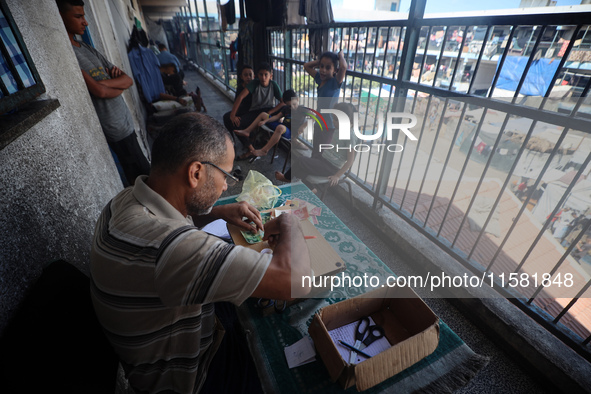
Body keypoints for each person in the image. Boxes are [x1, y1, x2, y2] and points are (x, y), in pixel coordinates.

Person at [90, 113, 311, 394]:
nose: (225, 186)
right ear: (195, 172)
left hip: (154, 345)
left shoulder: (125, 199)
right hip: (194, 377)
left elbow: (168, 229)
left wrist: (215, 212)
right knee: (282, 355)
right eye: (226, 175)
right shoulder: (174, 248)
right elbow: (294, 281)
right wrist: (290, 220)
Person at [57, 0, 150, 186]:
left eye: (84, 15)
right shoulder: (68, 54)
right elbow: (99, 91)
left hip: (125, 122)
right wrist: (115, 86)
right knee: (144, 179)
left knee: (141, 176)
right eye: (78, 16)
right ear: (60, 16)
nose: (85, 22)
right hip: (114, 128)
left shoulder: (87, 48)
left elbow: (128, 80)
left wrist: (109, 86)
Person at [275, 102, 357, 190]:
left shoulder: (350, 136)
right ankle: (311, 188)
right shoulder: (339, 129)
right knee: (302, 167)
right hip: (323, 160)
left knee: (300, 160)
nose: (333, 121)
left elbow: (350, 160)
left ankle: (286, 178)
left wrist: (337, 176)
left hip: (332, 167)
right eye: (333, 118)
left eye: (335, 119)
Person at [226, 62, 285, 158]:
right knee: (234, 123)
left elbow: (283, 102)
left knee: (283, 109)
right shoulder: (254, 83)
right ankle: (251, 148)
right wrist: (232, 115)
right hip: (255, 111)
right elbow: (240, 97)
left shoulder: (273, 85)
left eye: (266, 75)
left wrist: (271, 111)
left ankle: (253, 146)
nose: (263, 77)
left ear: (271, 75)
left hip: (268, 110)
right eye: (261, 74)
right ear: (257, 75)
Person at [234, 89, 307, 159]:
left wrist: (303, 127)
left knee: (280, 127)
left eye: (294, 104)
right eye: (289, 106)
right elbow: (276, 117)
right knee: (263, 114)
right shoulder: (286, 109)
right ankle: (247, 131)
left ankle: (264, 150)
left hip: (289, 133)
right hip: (282, 127)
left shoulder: (303, 109)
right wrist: (265, 121)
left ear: (297, 99)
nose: (292, 108)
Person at [303, 51, 347, 158]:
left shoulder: (335, 83)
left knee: (323, 154)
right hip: (319, 123)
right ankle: (311, 169)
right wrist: (321, 61)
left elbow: (343, 67)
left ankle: (316, 170)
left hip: (329, 126)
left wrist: (340, 56)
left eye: (328, 68)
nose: (323, 70)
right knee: (315, 151)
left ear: (334, 70)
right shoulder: (319, 78)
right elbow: (306, 66)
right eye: (321, 66)